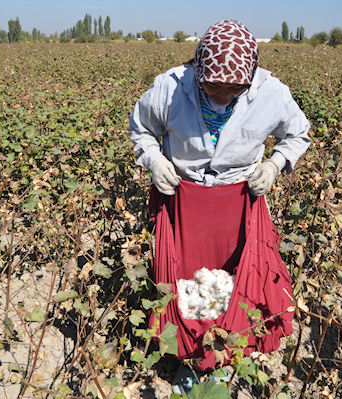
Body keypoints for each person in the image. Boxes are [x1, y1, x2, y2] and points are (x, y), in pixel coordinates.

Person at [128, 20, 311, 394]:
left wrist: (275, 164)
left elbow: (298, 133)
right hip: (184, 199)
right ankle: (193, 360)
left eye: (235, 88)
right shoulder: (170, 88)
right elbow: (141, 129)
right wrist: (156, 161)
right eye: (215, 86)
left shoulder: (271, 93)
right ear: (198, 71)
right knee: (187, 283)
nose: (225, 94)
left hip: (238, 202)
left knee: (235, 283)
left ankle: (225, 356)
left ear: (250, 79)